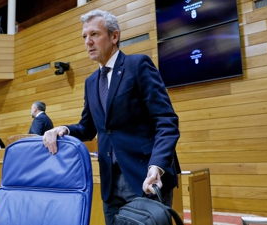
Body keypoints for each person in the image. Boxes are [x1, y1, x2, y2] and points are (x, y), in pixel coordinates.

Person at [42, 9, 180, 224]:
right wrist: (64, 129)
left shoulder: (138, 65)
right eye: (84, 37)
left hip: (146, 175)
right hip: (110, 182)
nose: (88, 42)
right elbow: (88, 128)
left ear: (114, 36)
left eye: (94, 34)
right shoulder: (90, 82)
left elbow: (166, 120)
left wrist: (157, 165)